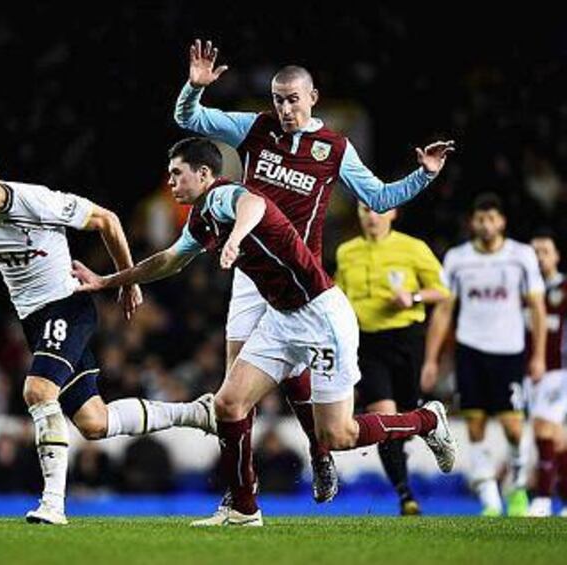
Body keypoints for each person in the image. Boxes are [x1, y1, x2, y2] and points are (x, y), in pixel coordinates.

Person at [73, 138, 456, 526]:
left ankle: (426, 420)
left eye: (176, 173)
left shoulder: (223, 196)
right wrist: (109, 281)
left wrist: (236, 239)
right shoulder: (201, 216)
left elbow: (253, 203)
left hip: (321, 316)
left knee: (339, 435)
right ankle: (244, 508)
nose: (170, 182)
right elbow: (167, 261)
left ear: (203, 174)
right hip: (281, 317)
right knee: (228, 405)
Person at [174, 39, 455, 504]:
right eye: (278, 99)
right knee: (234, 395)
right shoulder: (255, 129)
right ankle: (242, 496)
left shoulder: (334, 148)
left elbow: (380, 198)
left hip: (301, 282)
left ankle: (321, 451)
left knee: (288, 386)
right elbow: (190, 119)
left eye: (292, 99)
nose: (284, 108)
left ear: (312, 98)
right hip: (249, 274)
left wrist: (423, 174)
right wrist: (194, 87)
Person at [0, 141, 215, 525]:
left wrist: (126, 280)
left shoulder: (36, 202)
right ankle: (195, 412)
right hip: (34, 321)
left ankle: (53, 505)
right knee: (94, 422)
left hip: (68, 306)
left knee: (37, 391)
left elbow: (107, 219)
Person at [421, 193, 547, 516]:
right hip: (470, 350)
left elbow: (537, 307)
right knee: (474, 424)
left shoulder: (521, 256)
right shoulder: (457, 258)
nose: (486, 225)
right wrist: (432, 359)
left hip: (509, 350)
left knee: (513, 427)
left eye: (492, 219)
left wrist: (538, 356)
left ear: (502, 221)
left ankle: (518, 487)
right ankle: (489, 498)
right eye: (480, 219)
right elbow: (444, 310)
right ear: (472, 223)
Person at [336, 202, 449, 515]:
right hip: (367, 344)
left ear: (393, 213)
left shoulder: (412, 248)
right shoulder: (347, 252)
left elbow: (442, 290)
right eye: (364, 209)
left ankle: (415, 436)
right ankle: (405, 494)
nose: (371, 216)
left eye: (378, 209)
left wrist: (412, 297)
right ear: (357, 214)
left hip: (406, 340)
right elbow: (340, 297)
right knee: (383, 416)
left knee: (406, 415)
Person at [526, 233, 567, 517]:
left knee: (542, 428)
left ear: (556, 256)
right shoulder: (525, 291)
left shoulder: (565, 288)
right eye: (535, 252)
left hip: (559, 370)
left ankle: (541, 500)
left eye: (545, 251)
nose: (539, 257)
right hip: (529, 373)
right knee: (557, 439)